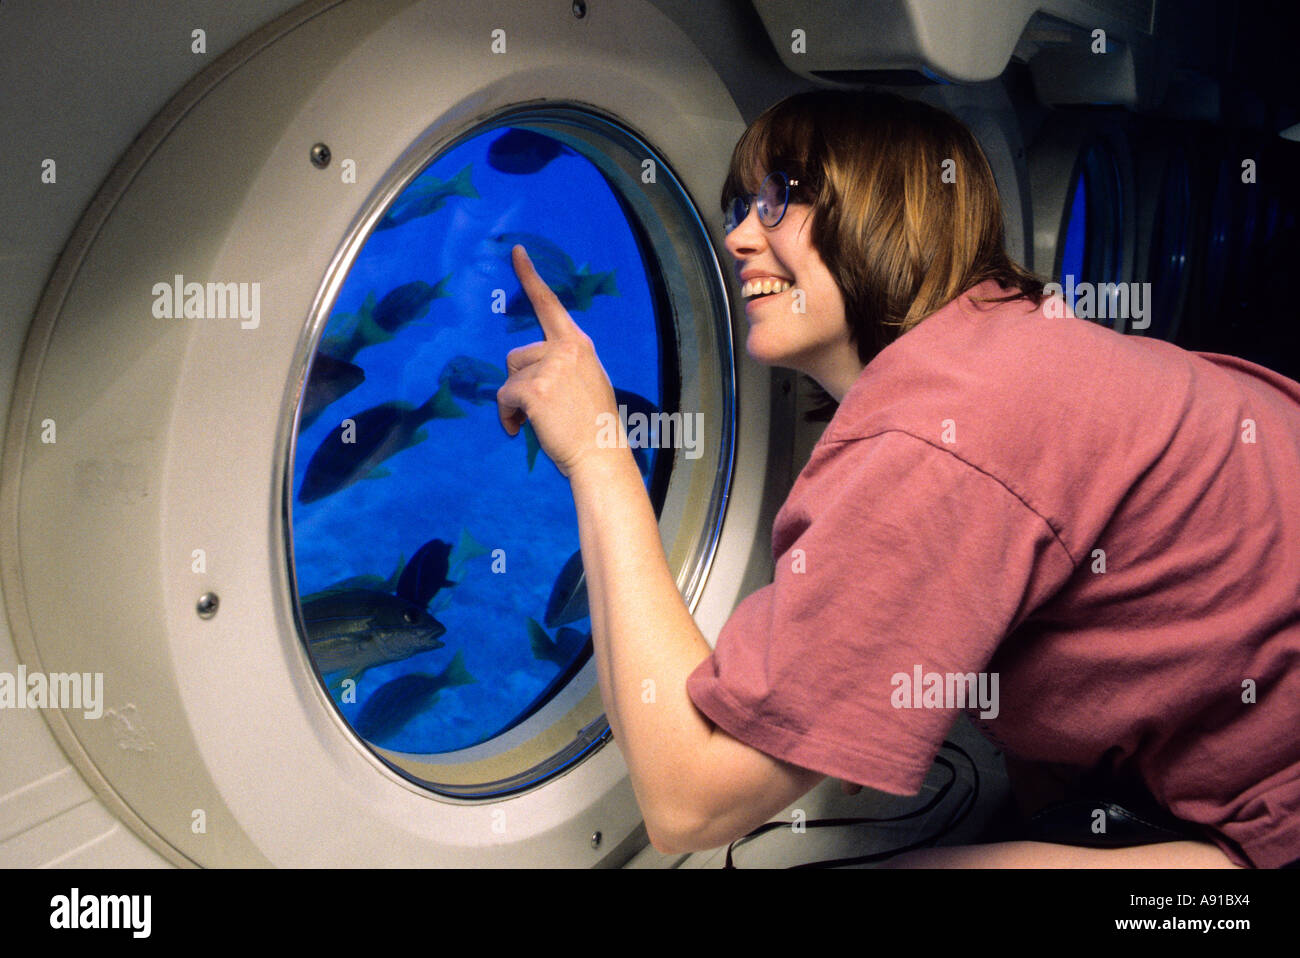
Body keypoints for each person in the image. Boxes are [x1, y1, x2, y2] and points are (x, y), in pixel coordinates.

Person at [495, 89, 1300, 868]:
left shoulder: (940, 433)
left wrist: (599, 453)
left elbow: (691, 803)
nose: (739, 235)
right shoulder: (1004, 346)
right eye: (739, 205)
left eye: (780, 197)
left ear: (888, 212)